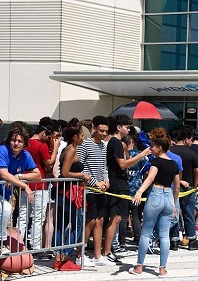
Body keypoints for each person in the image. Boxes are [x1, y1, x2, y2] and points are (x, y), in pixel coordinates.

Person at [0, 126, 41, 280]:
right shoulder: (1, 150)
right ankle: (0, 242)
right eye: (13, 140)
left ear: (25, 143)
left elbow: (37, 175)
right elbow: (4, 174)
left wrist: (19, 177)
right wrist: (25, 185)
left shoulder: (25, 155)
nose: (16, 143)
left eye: (20, 141)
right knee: (5, 208)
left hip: (2, 194)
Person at [129, 128, 180, 277]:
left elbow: (150, 178)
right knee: (164, 235)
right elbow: (176, 186)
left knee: (146, 233)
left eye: (152, 146)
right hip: (168, 197)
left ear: (159, 147)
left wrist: (139, 191)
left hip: (156, 195)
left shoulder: (156, 161)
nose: (150, 148)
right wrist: (174, 203)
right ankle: (162, 268)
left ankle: (139, 266)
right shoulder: (174, 164)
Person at [104, 115, 150, 264]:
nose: (129, 129)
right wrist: (142, 154)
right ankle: (107, 251)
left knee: (118, 218)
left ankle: (109, 249)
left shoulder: (118, 143)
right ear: (119, 127)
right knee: (115, 218)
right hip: (116, 184)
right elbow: (122, 164)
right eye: (126, 126)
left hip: (123, 184)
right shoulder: (115, 142)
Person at [17, 118, 59, 250]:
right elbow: (49, 164)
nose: (47, 140)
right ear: (43, 134)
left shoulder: (25, 144)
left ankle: (18, 244)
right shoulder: (41, 145)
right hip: (39, 185)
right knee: (37, 218)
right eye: (47, 137)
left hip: (25, 183)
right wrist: (56, 149)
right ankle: (35, 246)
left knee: (22, 216)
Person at [53, 119, 90, 271]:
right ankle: (64, 256)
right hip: (68, 192)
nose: (83, 138)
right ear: (75, 136)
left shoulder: (67, 148)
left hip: (64, 191)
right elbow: (65, 173)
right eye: (81, 135)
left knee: (62, 225)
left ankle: (58, 257)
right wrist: (82, 175)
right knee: (78, 225)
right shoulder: (71, 150)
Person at [77, 116, 112, 266]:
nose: (103, 134)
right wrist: (93, 182)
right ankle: (80, 255)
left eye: (106, 131)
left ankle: (98, 256)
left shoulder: (103, 146)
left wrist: (106, 180)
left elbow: (104, 166)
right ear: (94, 128)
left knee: (100, 220)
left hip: (100, 190)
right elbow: (81, 168)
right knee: (89, 222)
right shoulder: (84, 145)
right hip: (88, 189)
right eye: (101, 130)